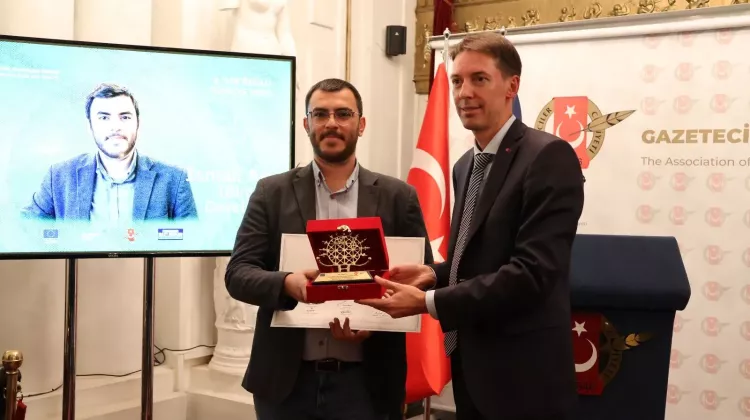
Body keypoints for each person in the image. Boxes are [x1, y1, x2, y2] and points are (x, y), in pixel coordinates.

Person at [357, 32, 585, 420]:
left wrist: (427, 302)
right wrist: (433, 273)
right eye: (457, 81)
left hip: (524, 380)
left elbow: (531, 274)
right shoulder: (466, 165)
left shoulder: (548, 156)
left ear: (512, 86)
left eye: (479, 79)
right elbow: (481, 259)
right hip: (472, 370)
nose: (464, 93)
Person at [224, 78, 433, 420]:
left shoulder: (399, 197)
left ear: (361, 124)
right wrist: (287, 284)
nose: (331, 123)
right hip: (286, 385)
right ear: (307, 124)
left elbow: (422, 279)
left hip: (367, 385)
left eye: (343, 114)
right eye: (320, 114)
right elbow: (238, 275)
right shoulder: (270, 193)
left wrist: (375, 321)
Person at [21, 83, 198, 222]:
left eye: (125, 117)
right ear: (90, 126)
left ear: (138, 123)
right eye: (104, 117)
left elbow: (192, 241)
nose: (115, 126)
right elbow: (26, 228)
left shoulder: (174, 179)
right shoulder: (59, 176)